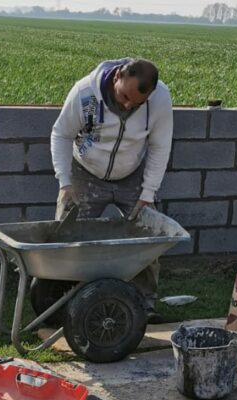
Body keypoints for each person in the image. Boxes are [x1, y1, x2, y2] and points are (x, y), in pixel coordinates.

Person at [50, 57, 173, 321]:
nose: (128, 105)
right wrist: (65, 182)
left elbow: (160, 146)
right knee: (68, 236)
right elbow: (61, 134)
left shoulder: (160, 99)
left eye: (136, 103)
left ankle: (144, 305)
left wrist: (148, 193)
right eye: (124, 96)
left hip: (132, 174)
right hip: (86, 171)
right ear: (117, 76)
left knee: (147, 237)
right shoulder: (86, 93)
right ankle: (62, 302)